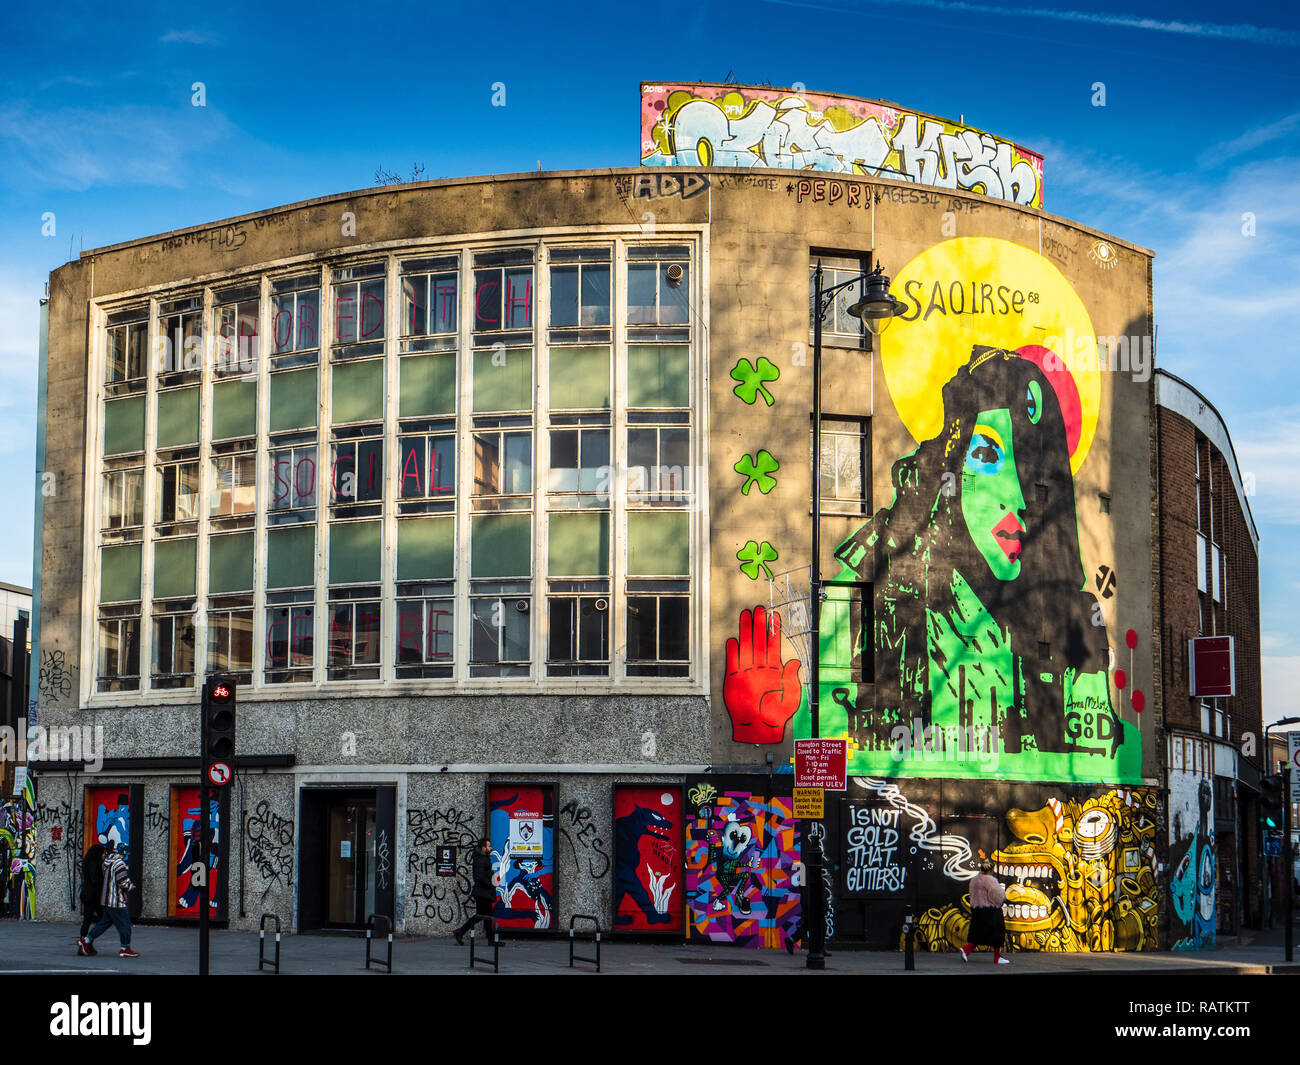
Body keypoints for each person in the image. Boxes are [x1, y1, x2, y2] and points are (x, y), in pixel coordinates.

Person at [828, 346, 1137, 774]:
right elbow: (833, 706)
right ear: (947, 465)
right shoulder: (872, 580)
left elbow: (1095, 765)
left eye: (1033, 466)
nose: (1016, 497)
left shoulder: (1077, 621)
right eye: (988, 457)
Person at [77, 839, 138, 958]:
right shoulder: (120, 864)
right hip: (116, 900)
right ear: (123, 853)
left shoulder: (107, 862)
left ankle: (86, 940)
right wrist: (130, 886)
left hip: (106, 899)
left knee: (104, 923)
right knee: (125, 924)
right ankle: (125, 947)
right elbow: (122, 881)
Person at [961, 859, 1008, 964]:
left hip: (977, 910)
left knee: (979, 933)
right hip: (990, 911)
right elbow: (997, 896)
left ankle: (966, 949)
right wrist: (1001, 900)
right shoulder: (990, 880)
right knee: (998, 933)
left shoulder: (974, 880)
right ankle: (997, 957)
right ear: (991, 870)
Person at [453, 838, 495, 945]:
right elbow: (479, 877)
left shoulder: (483, 858)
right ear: (483, 848)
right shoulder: (481, 859)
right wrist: (491, 884)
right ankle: (460, 932)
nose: (491, 848)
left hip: (483, 892)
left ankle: (460, 932)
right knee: (485, 916)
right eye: (489, 846)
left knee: (483, 916)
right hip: (482, 892)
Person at [78, 840, 106, 941]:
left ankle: (84, 939)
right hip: (92, 896)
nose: (104, 855)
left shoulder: (89, 862)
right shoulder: (94, 864)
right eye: (103, 853)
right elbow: (95, 879)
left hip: (89, 895)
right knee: (102, 919)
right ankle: (86, 939)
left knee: (88, 920)